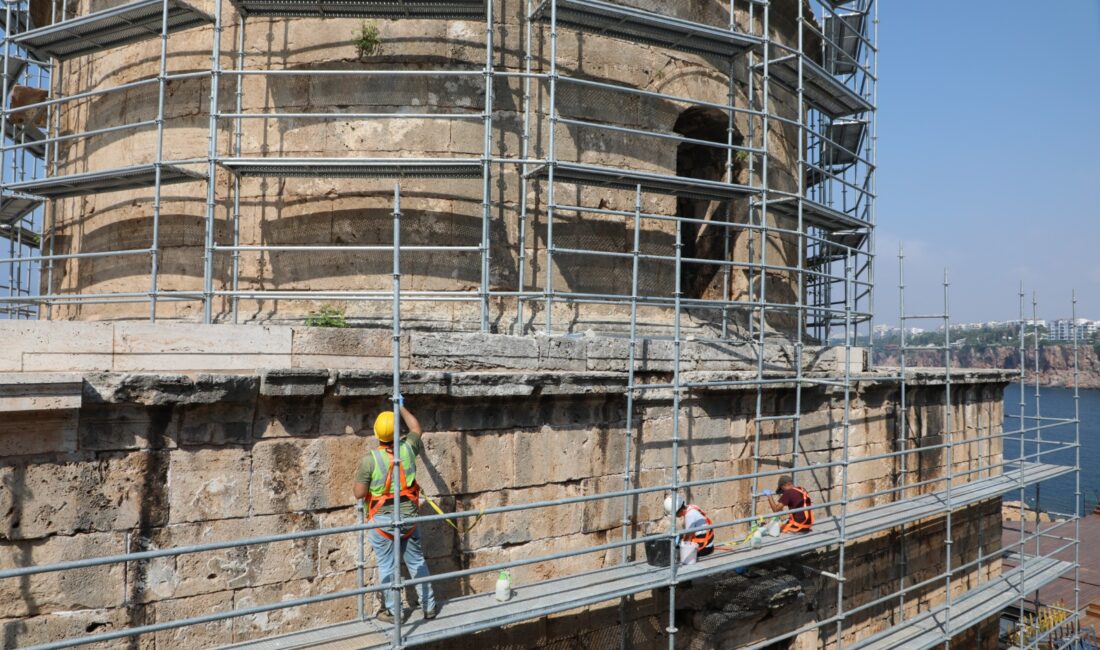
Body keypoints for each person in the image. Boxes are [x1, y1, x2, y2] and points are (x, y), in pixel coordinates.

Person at [353, 402, 439, 622]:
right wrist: (400, 407)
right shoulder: (408, 449)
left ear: (376, 433)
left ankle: (394, 611)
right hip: (409, 516)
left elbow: (359, 493)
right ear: (398, 431)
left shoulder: (370, 460)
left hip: (382, 521)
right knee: (416, 561)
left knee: (387, 565)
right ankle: (429, 606)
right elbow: (417, 428)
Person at [663, 494, 715, 561]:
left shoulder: (689, 515)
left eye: (675, 514)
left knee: (677, 554)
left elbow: (689, 537)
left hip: (704, 549)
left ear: (678, 510)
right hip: (709, 545)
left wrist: (680, 548)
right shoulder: (691, 507)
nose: (676, 516)